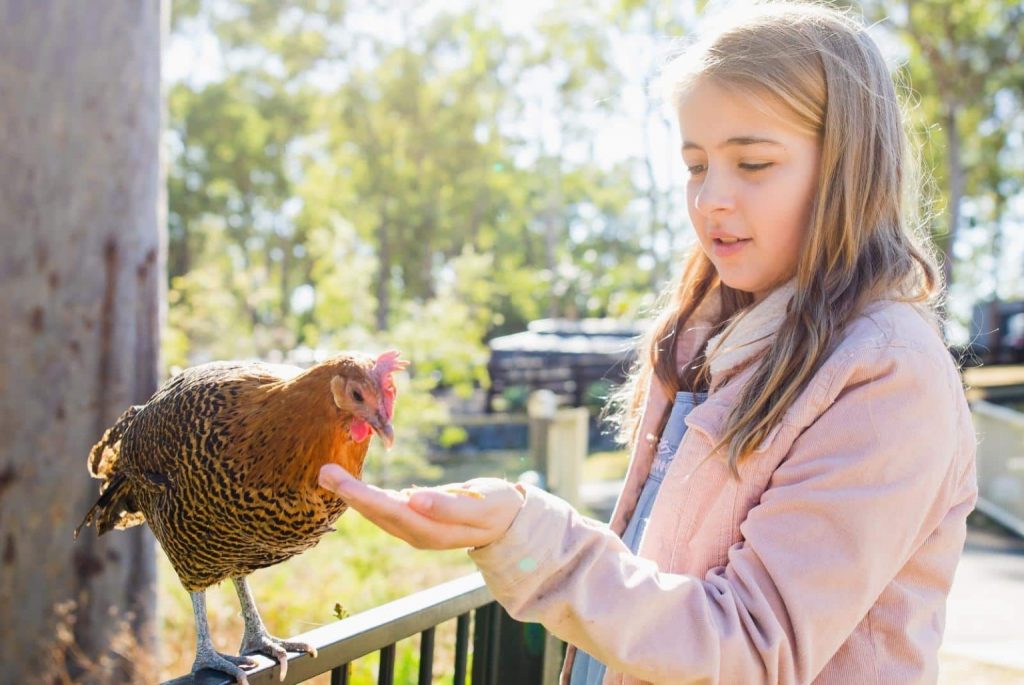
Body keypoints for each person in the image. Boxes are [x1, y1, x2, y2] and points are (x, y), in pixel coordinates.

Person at [319, 2, 978, 683]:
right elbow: (655, 573)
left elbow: (750, 645)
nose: (710, 199)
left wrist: (527, 534)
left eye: (752, 162)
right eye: (696, 165)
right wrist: (511, 519)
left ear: (850, 168)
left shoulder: (888, 375)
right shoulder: (706, 340)